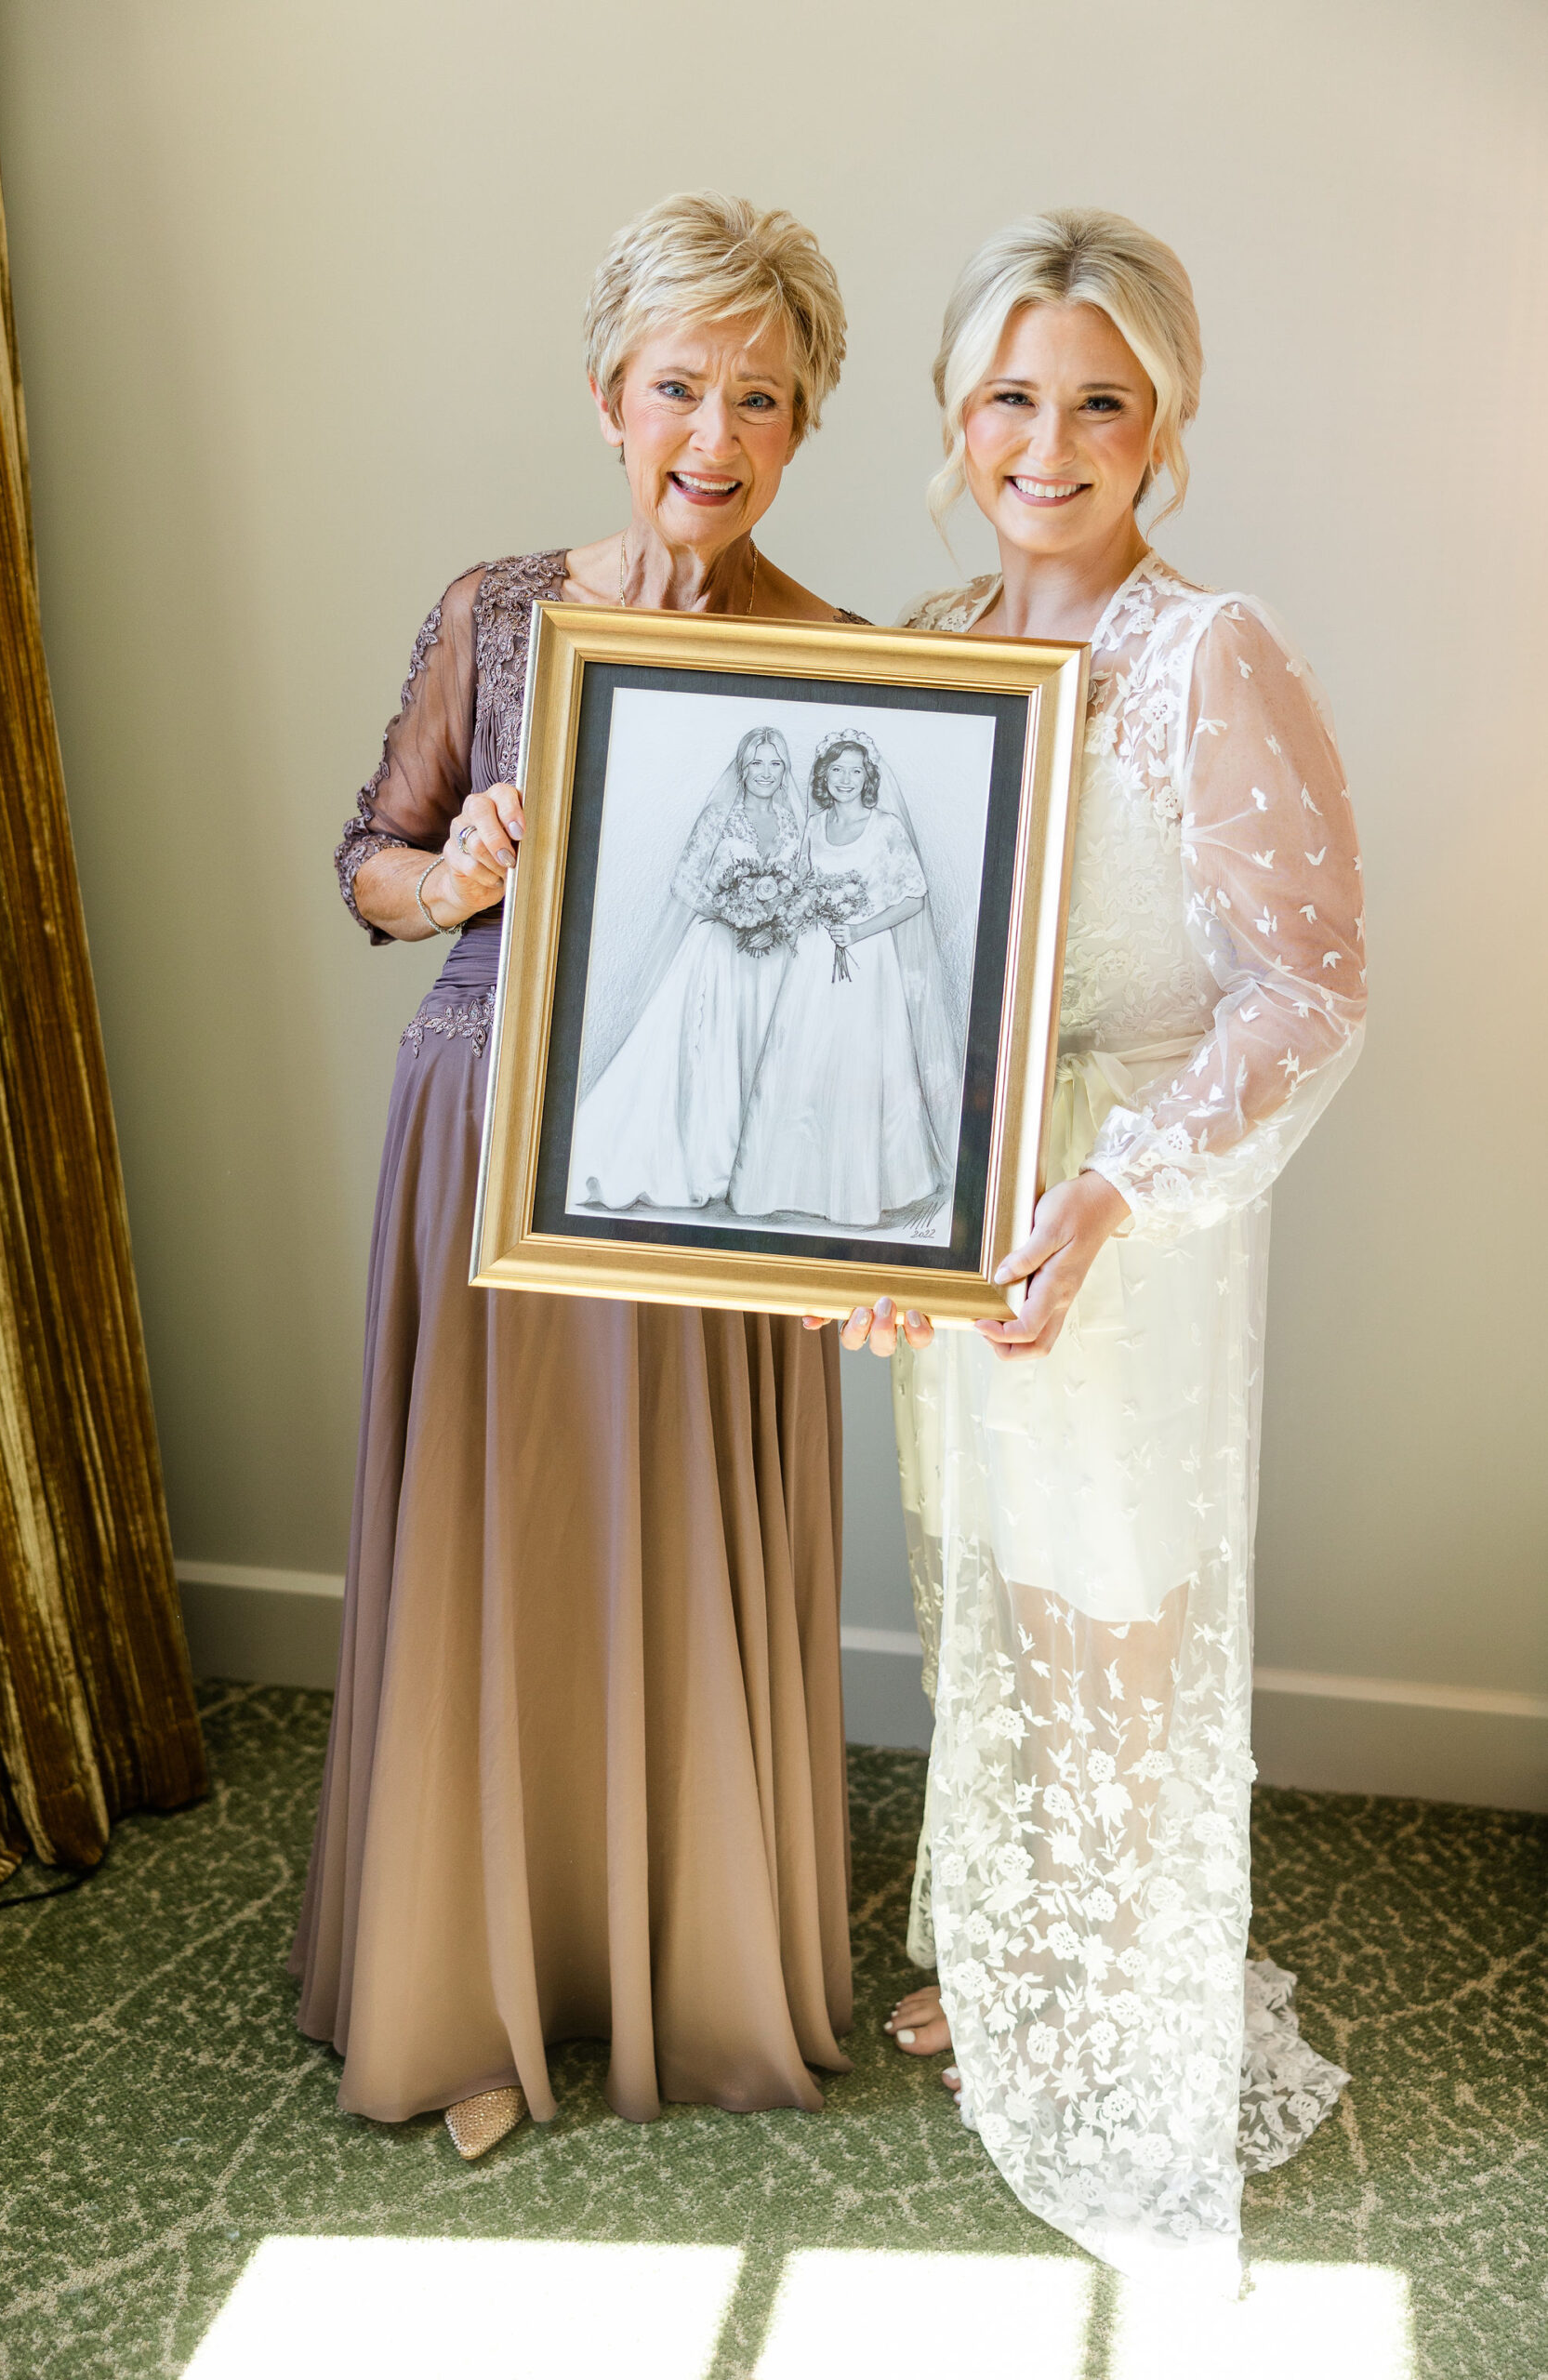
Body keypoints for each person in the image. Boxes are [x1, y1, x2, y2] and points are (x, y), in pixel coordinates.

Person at [293, 192, 866, 2162]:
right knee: (498, 1544)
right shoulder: (500, 609)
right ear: (611, 395)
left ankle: (675, 1962)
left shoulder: (841, 662)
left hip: (708, 1167)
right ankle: (465, 1975)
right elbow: (369, 857)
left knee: (671, 1535)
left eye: (761, 397)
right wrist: (458, 874)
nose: (715, 429)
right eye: (679, 384)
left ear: (801, 429)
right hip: (492, 1134)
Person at [838, 208, 1367, 2288]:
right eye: (1007, 398)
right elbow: (881, 970)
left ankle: (1111, 1997)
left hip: (1124, 1205)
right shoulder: (924, 634)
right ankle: (1006, 1943)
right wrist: (865, 1202)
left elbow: (1303, 982)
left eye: (1095, 402)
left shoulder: (1204, 647)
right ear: (954, 419)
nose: (1044, 441)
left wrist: (1115, 1179)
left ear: (1161, 425)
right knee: (977, 1567)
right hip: (962, 1194)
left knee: (1110, 1595)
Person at [567, 726, 806, 1211]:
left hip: (770, 955)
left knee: (766, 1050)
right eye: (756, 763)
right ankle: (709, 1162)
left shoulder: (793, 821)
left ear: (785, 770)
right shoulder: (721, 816)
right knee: (715, 1052)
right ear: (742, 766)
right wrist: (732, 912)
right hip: (719, 952)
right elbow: (685, 882)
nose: (765, 773)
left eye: (774, 763)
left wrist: (772, 921)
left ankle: (759, 1168)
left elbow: (801, 886)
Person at [729, 729, 958, 1229]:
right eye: (837, 770)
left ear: (868, 777)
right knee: (802, 1058)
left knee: (857, 1063)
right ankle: (785, 1186)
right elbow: (797, 888)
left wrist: (856, 930)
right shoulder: (810, 827)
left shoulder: (886, 828)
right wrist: (801, 912)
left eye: (856, 771)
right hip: (813, 956)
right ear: (823, 776)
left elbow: (913, 897)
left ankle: (856, 1194)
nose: (846, 780)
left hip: (866, 960)